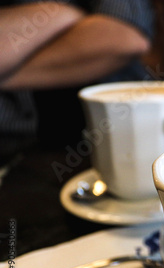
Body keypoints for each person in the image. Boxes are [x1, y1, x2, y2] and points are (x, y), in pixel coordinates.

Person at [0, 0, 155, 153]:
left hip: (108, 135)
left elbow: (125, 36)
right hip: (13, 145)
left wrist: (6, 71)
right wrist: (58, 14)